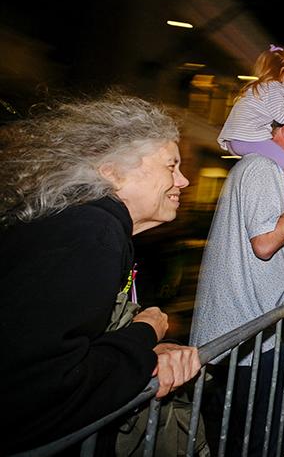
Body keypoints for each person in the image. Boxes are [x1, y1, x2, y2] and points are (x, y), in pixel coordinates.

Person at [0, 93, 201, 454]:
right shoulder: (91, 233)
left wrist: (146, 353)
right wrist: (145, 334)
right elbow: (39, 392)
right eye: (171, 166)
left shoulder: (88, 225)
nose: (184, 181)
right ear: (112, 171)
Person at [190, 120, 284, 456]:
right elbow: (265, 244)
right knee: (242, 440)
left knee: (246, 436)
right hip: (239, 337)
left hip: (252, 335)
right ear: (282, 130)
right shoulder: (260, 166)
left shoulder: (267, 169)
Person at [218, 44, 284, 240]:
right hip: (248, 137)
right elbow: (282, 114)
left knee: (283, 166)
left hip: (239, 139)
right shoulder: (275, 88)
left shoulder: (262, 87)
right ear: (283, 73)